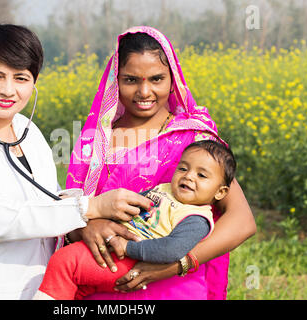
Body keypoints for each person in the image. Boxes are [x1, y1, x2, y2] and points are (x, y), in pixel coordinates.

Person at [0, 24, 151, 300]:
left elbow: (48, 199)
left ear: (34, 81)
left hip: (35, 287)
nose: (8, 90)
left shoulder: (28, 132)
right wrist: (91, 207)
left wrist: (87, 223)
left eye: (21, 78)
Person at [65, 26, 256, 300]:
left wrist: (177, 263)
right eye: (131, 80)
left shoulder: (193, 138)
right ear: (114, 81)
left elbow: (242, 221)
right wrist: (85, 227)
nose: (145, 91)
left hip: (176, 286)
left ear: (173, 79)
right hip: (104, 281)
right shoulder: (95, 141)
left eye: (156, 79)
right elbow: (67, 211)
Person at [34, 140, 237, 300]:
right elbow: (130, 206)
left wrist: (127, 247)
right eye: (183, 169)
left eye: (201, 175)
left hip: (132, 260)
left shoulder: (196, 218)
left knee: (64, 262)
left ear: (221, 192)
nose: (189, 177)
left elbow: (171, 250)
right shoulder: (164, 190)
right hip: (116, 250)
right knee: (77, 289)